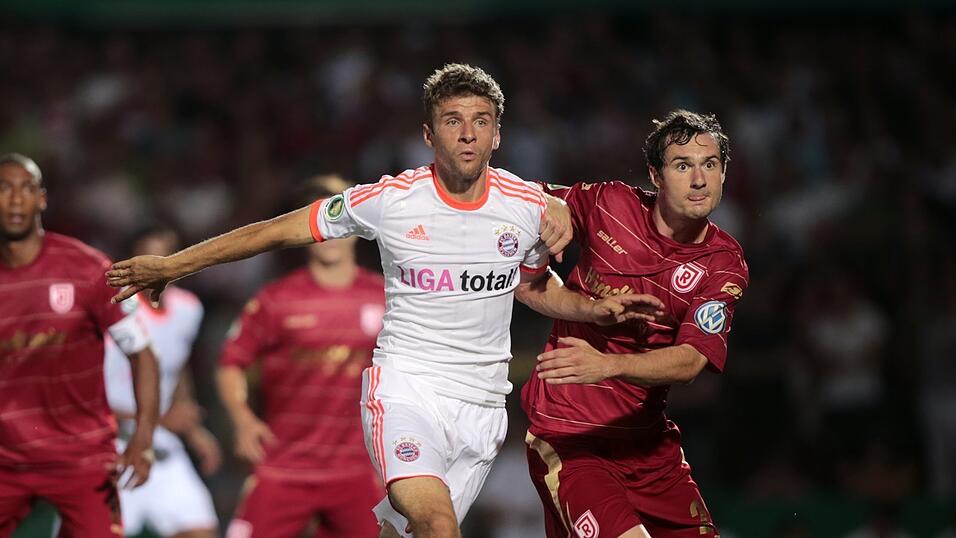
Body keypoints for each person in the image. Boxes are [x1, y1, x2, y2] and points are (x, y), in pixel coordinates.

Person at [105, 63, 663, 538]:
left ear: (497, 134)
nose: (467, 134)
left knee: (400, 531)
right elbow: (277, 231)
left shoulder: (528, 206)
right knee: (439, 525)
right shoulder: (391, 200)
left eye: (480, 122)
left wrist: (592, 309)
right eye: (453, 121)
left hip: (484, 407)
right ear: (429, 135)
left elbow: (533, 285)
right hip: (406, 389)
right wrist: (175, 264)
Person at [524, 110, 749, 538]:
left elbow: (690, 361)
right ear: (656, 175)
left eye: (711, 164)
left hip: (650, 451)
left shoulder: (724, 263)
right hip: (570, 438)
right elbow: (523, 198)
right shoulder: (611, 204)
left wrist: (607, 365)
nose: (699, 179)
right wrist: (547, 203)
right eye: (683, 166)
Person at [0, 153, 159, 538]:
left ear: (42, 199)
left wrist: (142, 439)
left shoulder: (89, 269)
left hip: (83, 458)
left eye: (26, 188)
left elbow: (143, 355)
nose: (15, 199)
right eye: (4, 188)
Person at [218, 175, 384, 538]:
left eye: (340, 220)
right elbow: (232, 361)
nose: (332, 233)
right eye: (322, 221)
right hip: (283, 467)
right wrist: (242, 419)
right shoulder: (276, 300)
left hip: (356, 471)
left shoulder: (386, 297)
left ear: (359, 226)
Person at [104, 223, 220, 538]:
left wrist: (193, 429)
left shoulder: (188, 309)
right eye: (150, 257)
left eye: (169, 256)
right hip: (111, 448)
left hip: (163, 447)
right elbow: (84, 393)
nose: (159, 264)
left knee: (200, 530)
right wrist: (161, 419)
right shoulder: (111, 306)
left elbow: (176, 366)